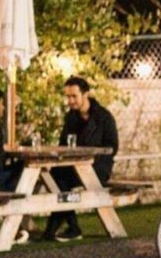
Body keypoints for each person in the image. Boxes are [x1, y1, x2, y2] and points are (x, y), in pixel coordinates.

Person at [43, 76, 119, 242]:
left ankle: (58, 229)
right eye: (67, 97)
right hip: (74, 166)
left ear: (86, 94)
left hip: (98, 168)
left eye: (73, 96)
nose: (70, 101)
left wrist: (92, 156)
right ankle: (70, 228)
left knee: (61, 181)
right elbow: (63, 144)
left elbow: (113, 147)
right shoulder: (71, 117)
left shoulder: (104, 117)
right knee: (54, 176)